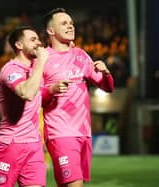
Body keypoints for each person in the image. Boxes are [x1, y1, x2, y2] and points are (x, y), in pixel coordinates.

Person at [42, 8, 114, 187]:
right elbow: (32, 98)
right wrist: (51, 89)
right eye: (64, 23)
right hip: (60, 132)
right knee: (75, 184)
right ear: (50, 31)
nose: (70, 26)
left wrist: (106, 73)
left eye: (71, 23)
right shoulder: (42, 58)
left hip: (83, 133)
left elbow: (107, 87)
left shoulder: (80, 55)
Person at [0, 26, 49, 187]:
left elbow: (37, 92)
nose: (39, 43)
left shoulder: (34, 68)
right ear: (19, 45)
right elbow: (27, 93)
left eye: (38, 39)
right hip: (10, 143)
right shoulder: (10, 70)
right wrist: (41, 62)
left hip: (33, 144)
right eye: (33, 40)